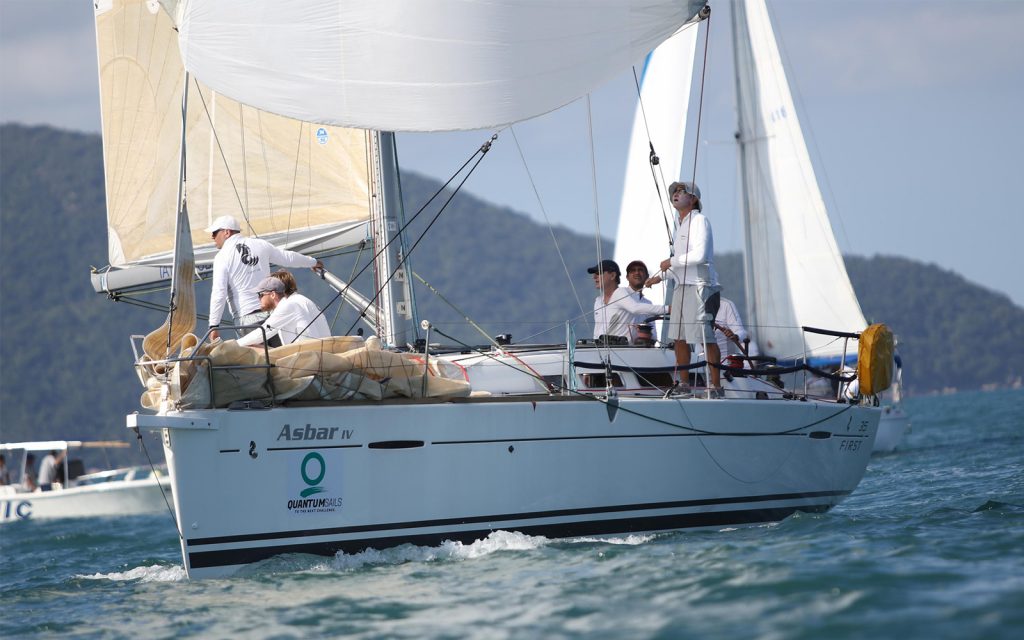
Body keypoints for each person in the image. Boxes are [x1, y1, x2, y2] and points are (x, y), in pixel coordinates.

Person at [645, 181, 723, 395]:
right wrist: (660, 277)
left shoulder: (700, 221)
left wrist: (670, 262)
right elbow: (681, 266)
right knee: (678, 338)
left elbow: (699, 256)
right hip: (681, 287)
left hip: (700, 286)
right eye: (674, 192)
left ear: (694, 199)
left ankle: (716, 386)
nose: (676, 194)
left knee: (704, 337)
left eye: (682, 191)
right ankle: (684, 384)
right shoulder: (680, 227)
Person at [206, 215, 324, 341]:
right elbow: (287, 258)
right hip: (272, 314)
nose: (212, 237)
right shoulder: (261, 245)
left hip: (246, 319)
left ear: (226, 232)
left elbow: (219, 293)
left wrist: (214, 326)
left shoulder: (221, 257)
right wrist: (313, 262)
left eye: (214, 232)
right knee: (279, 357)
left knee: (259, 359)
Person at [237, 273, 332, 348]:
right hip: (324, 355)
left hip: (308, 361)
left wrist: (233, 344)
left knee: (254, 347)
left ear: (273, 294)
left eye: (260, 295)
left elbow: (262, 333)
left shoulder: (288, 306)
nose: (258, 299)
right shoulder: (303, 300)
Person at [589, 259, 667, 343]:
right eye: (632, 271)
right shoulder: (598, 301)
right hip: (602, 350)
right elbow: (597, 329)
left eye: (640, 270)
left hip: (626, 350)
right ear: (627, 277)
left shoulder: (624, 295)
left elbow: (653, 335)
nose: (637, 273)